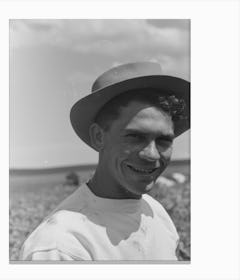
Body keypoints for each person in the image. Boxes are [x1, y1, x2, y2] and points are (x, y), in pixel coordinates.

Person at [20, 61, 190, 261]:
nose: (152, 154)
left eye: (163, 140)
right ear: (99, 136)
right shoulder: (62, 246)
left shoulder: (156, 212)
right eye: (134, 137)